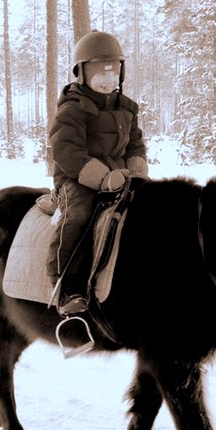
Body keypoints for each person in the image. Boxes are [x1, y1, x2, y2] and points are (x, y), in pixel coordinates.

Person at [46, 30, 148, 315]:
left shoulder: (127, 109)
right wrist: (102, 179)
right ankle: (66, 285)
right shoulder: (72, 109)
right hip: (77, 180)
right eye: (100, 73)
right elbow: (67, 151)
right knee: (79, 215)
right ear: (82, 73)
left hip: (120, 178)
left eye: (113, 72)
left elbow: (135, 143)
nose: (107, 80)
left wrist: (136, 169)